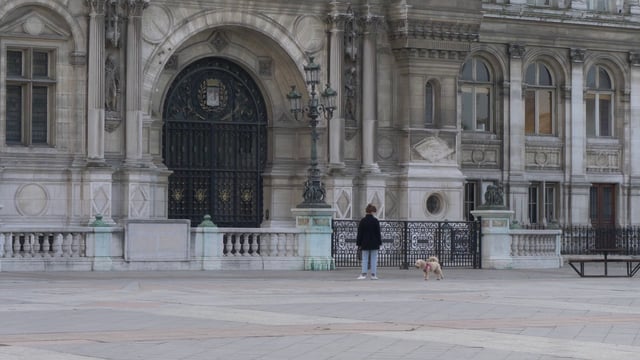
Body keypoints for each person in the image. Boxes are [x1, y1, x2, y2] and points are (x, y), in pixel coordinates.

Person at [356, 203, 382, 280]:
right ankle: (373, 275)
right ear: (372, 212)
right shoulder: (375, 221)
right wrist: (379, 242)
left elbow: (360, 233)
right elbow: (378, 233)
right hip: (374, 242)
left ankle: (363, 274)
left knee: (365, 258)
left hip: (365, 242)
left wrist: (358, 243)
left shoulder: (363, 221)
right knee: (374, 258)